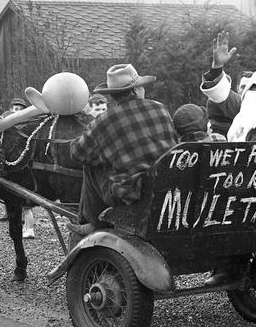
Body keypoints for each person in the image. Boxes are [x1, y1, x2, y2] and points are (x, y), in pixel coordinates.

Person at [68, 63, 178, 235]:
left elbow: (77, 154)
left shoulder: (103, 121)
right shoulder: (161, 109)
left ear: (112, 95)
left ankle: (94, 223)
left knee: (89, 165)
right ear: (135, 91)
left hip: (131, 194)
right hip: (166, 184)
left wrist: (83, 140)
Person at [0, 97, 35, 239]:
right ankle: (15, 220)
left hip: (23, 166)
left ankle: (30, 228)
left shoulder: (27, 125)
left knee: (26, 205)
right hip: (10, 164)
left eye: (20, 109)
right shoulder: (6, 123)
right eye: (14, 108)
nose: (16, 111)